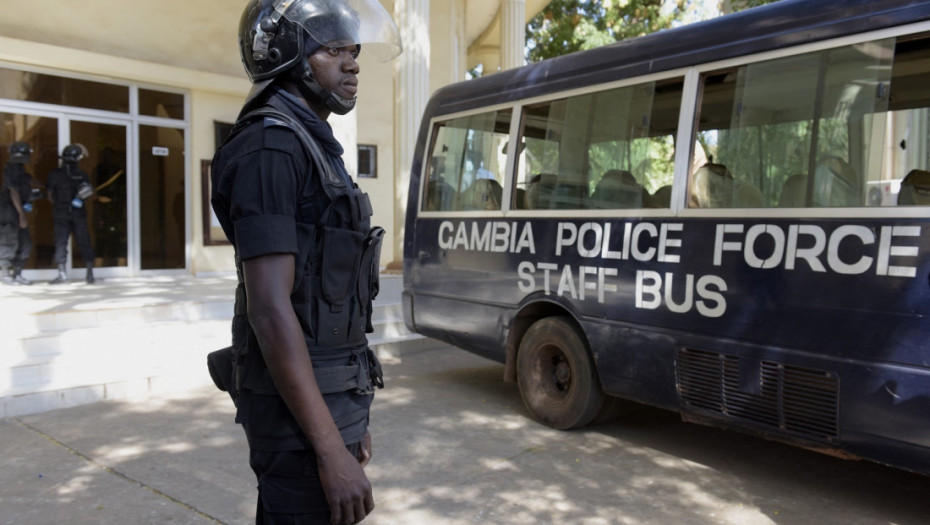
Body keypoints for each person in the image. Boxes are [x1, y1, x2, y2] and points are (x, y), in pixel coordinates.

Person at [209, 1, 401, 523]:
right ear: (287, 57)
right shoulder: (270, 148)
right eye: (333, 49)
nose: (352, 62)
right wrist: (329, 450)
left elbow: (329, 299)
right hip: (295, 427)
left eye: (354, 50)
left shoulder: (311, 145)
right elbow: (271, 311)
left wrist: (349, 422)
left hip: (328, 402)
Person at [45, 143, 96, 284]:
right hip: (78, 213)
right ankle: (90, 274)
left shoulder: (54, 174)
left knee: (61, 242)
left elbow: (49, 196)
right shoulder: (82, 175)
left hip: (60, 213)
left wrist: (59, 204)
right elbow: (89, 194)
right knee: (84, 241)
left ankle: (62, 275)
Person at [0, 141, 36, 285]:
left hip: (16, 209)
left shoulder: (20, 171)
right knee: (8, 241)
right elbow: (13, 192)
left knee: (25, 243)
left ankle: (18, 274)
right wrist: (21, 215)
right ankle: (5, 275)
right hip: (9, 211)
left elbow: (28, 183)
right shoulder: (10, 170)